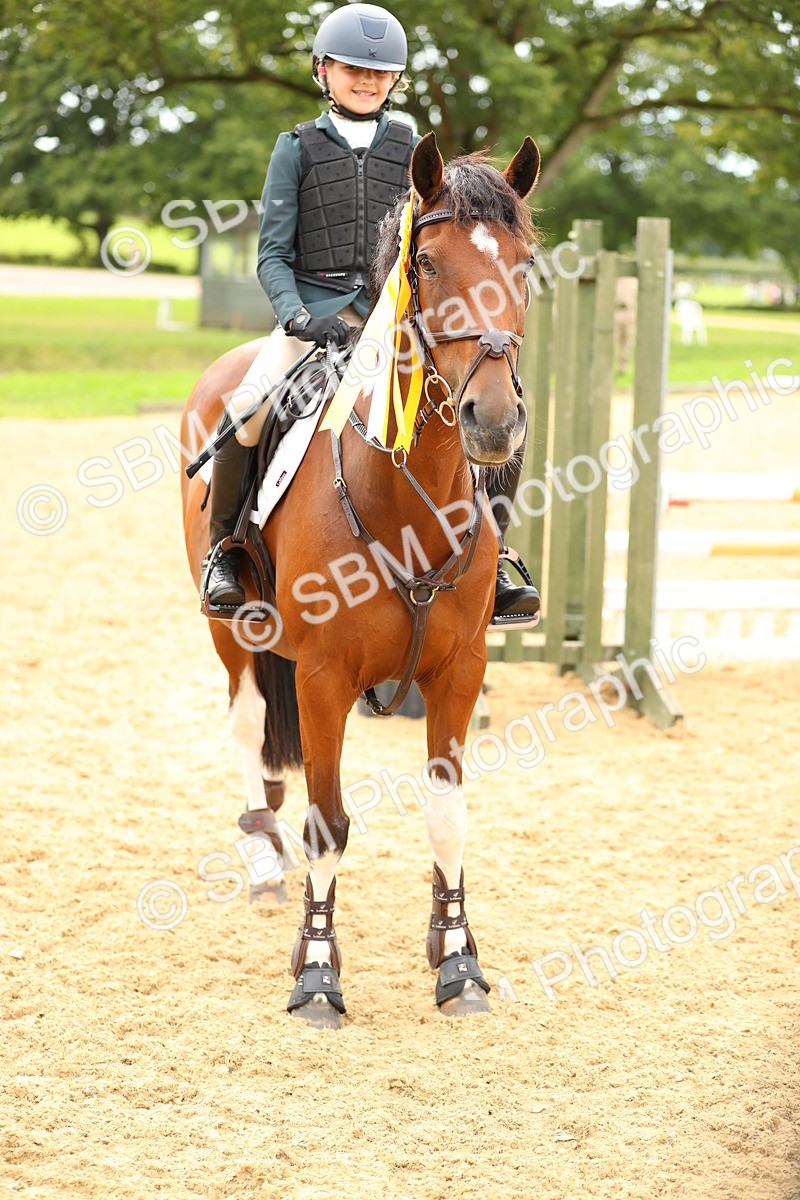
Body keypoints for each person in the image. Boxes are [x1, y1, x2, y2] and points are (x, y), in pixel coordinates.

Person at [202, 2, 540, 627]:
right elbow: (273, 254)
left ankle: (496, 557)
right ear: (323, 71)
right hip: (313, 321)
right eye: (353, 69)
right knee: (245, 409)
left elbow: (439, 245)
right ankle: (225, 550)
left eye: (380, 73)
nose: (366, 81)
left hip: (396, 327)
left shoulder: (414, 150)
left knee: (500, 409)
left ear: (395, 80)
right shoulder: (295, 148)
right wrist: (298, 317)